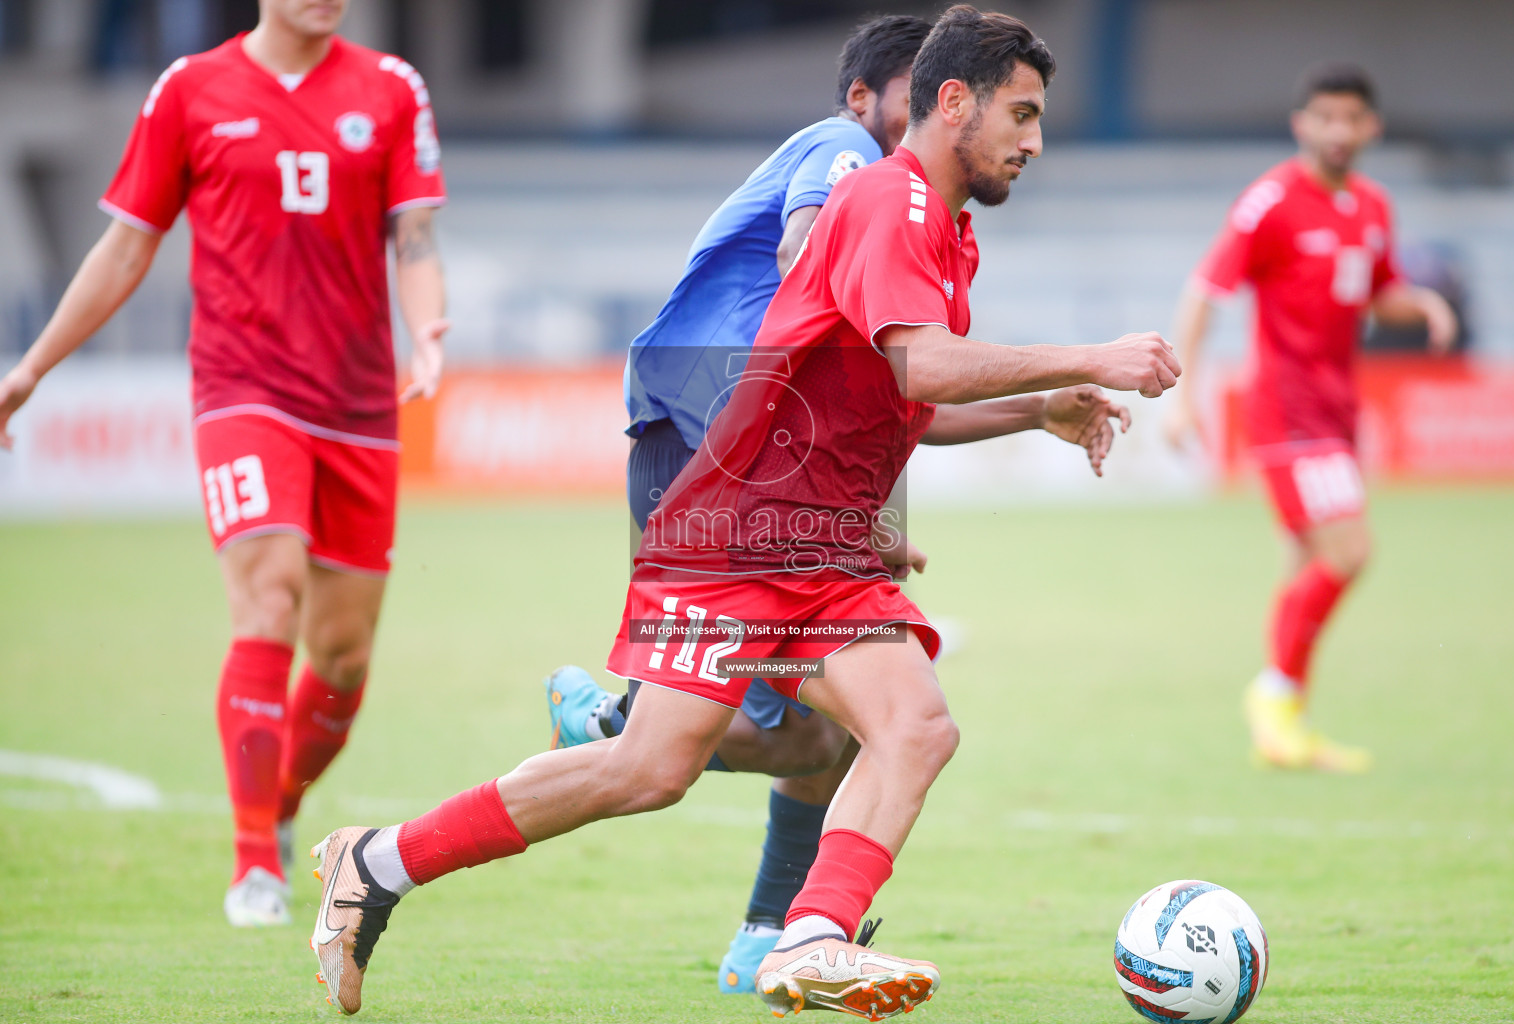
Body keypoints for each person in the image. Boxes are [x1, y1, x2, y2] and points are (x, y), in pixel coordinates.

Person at [308, 6, 1179, 1018]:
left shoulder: (943, 232)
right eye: (1021, 115)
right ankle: (383, 861)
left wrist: (1039, 412)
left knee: (909, 726)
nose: (1034, 141)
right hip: (740, 532)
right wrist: (1090, 354)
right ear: (954, 102)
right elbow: (922, 360)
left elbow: (906, 394)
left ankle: (805, 935)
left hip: (819, 546)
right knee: (653, 766)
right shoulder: (882, 200)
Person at [541, 14, 1123, 994]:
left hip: (779, 459)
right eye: (914, 101)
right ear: (874, 102)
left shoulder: (917, 208)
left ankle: (772, 925)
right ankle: (617, 731)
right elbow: (821, 277)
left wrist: (859, 521)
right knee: (791, 734)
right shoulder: (845, 157)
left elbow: (882, 387)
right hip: (711, 425)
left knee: (845, 728)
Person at [0, 0, 449, 925]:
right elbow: (127, 246)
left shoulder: (392, 88)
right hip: (242, 390)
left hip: (359, 405)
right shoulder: (190, 90)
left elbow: (414, 236)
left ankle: (277, 808)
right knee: (269, 591)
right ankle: (256, 869)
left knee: (343, 655)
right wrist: (34, 365)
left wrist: (429, 327)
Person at [1164, 65, 1456, 773]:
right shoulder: (1271, 202)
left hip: (1337, 410)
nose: (1337, 130)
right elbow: (1206, 291)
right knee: (1349, 552)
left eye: (1350, 118)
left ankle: (1284, 726)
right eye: (1323, 117)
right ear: (1302, 124)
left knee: (1303, 564)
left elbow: (1376, 293)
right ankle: (1273, 695)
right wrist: (1185, 395)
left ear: (1370, 127)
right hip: (1289, 412)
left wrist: (1421, 303)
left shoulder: (1372, 206)